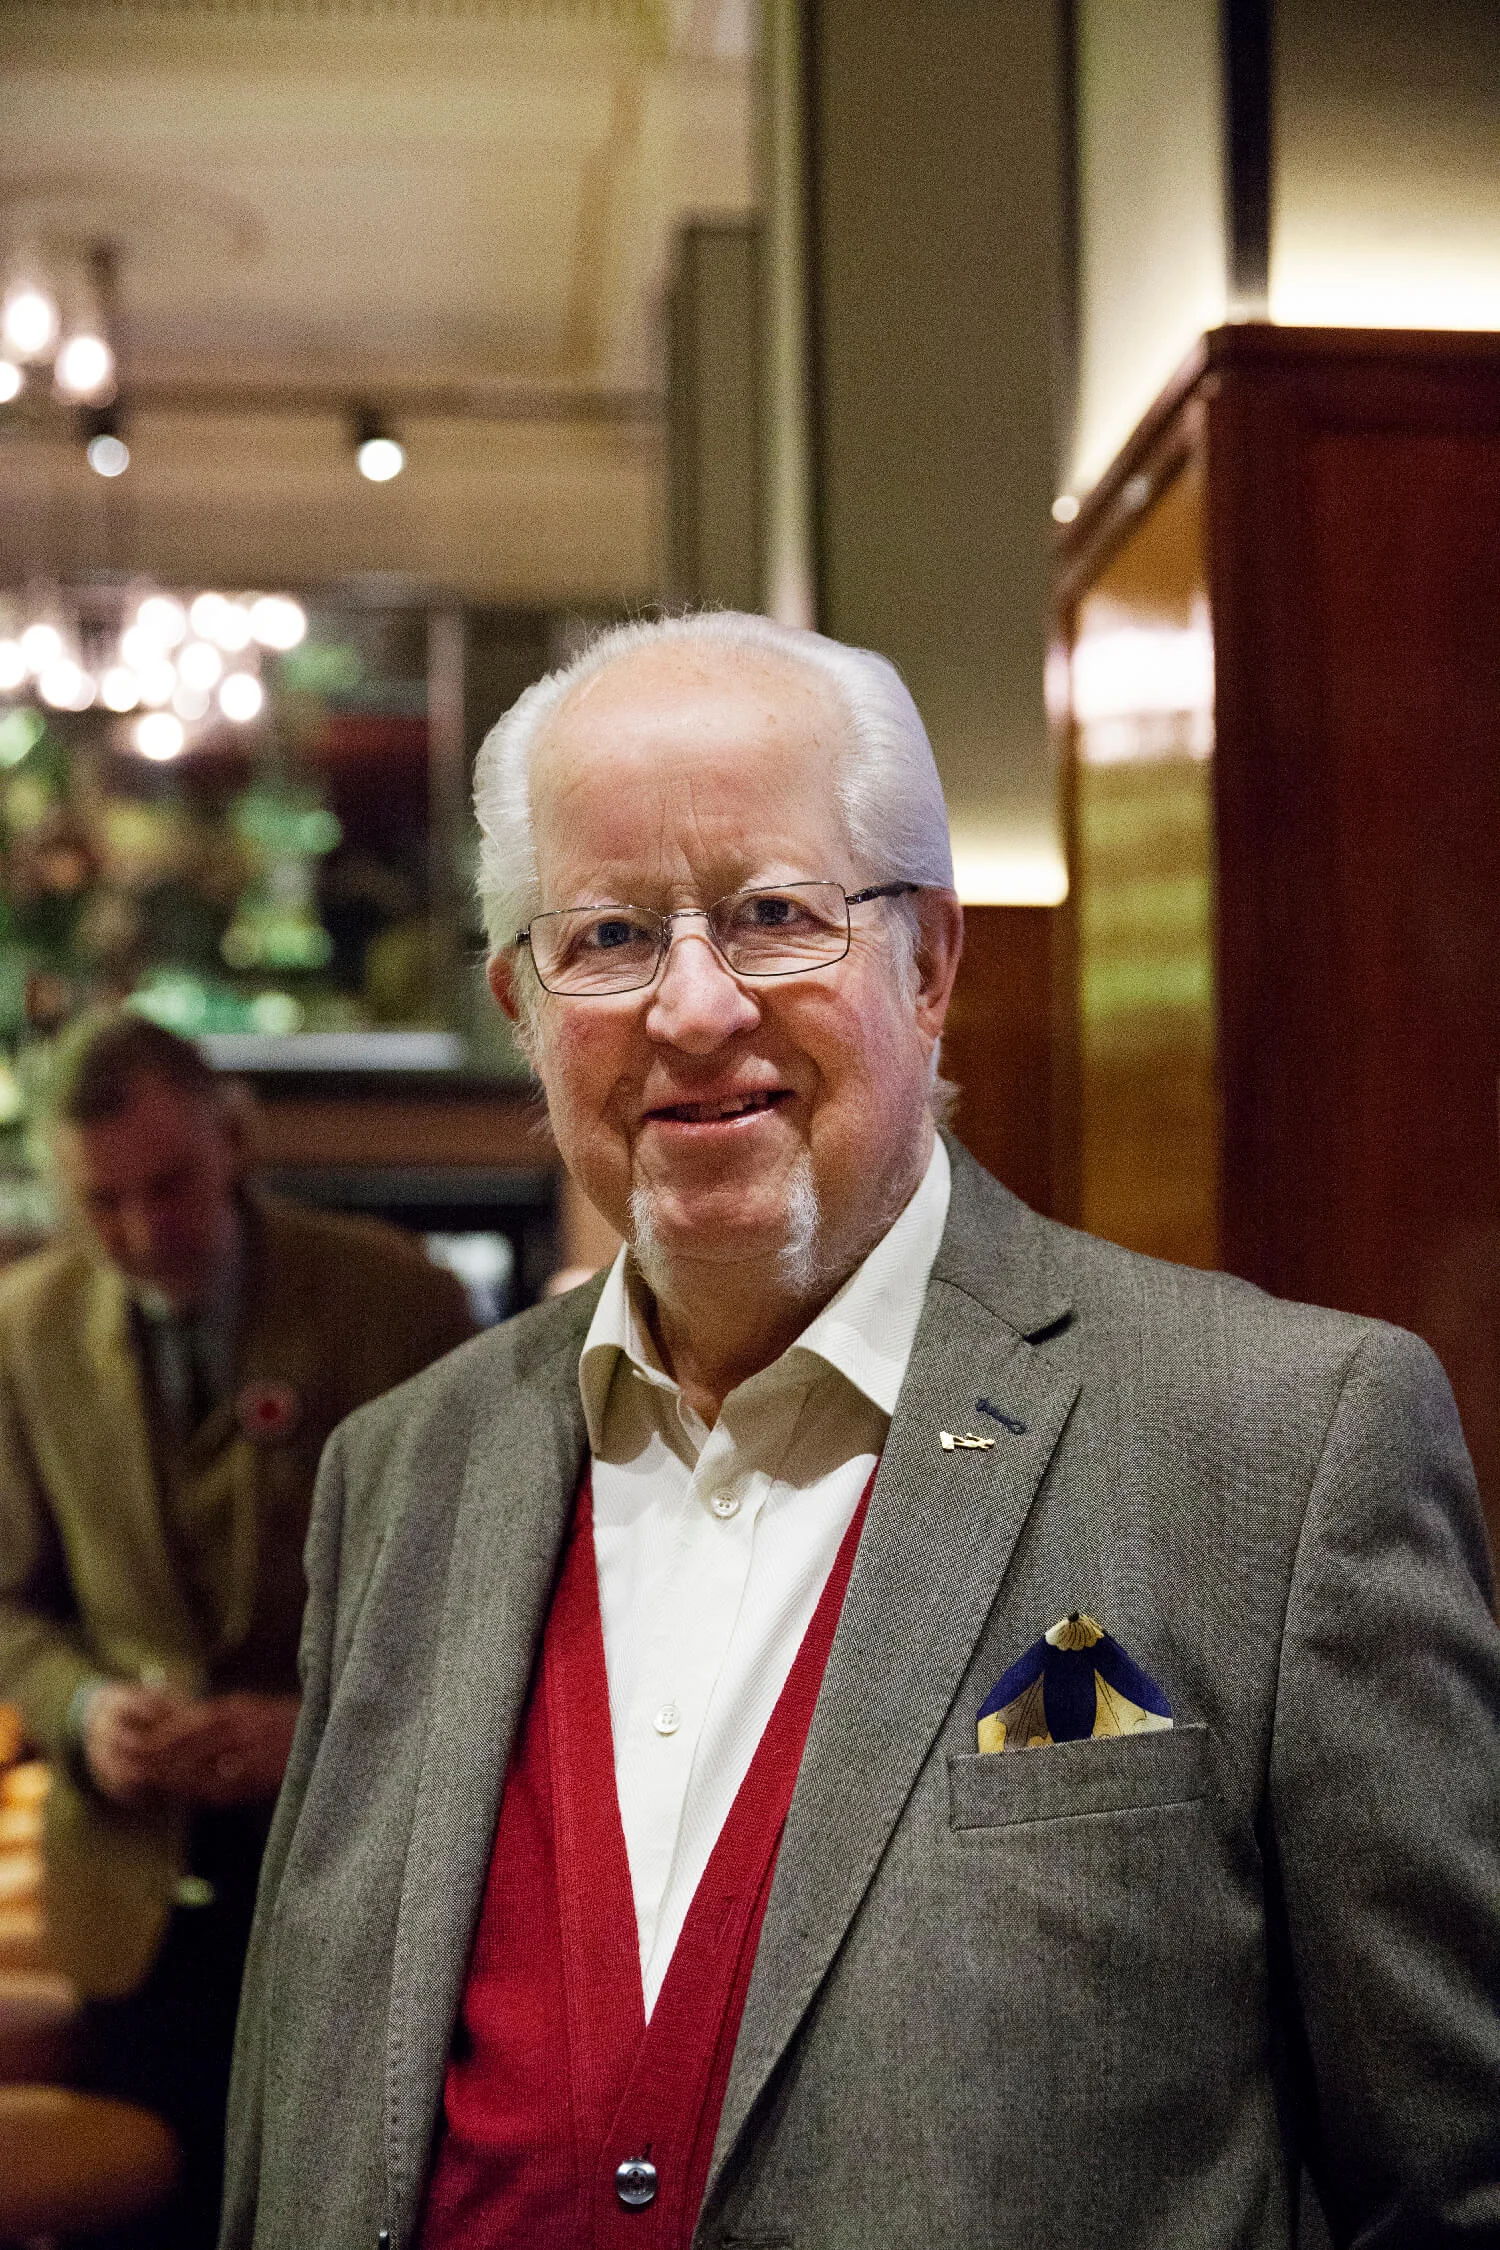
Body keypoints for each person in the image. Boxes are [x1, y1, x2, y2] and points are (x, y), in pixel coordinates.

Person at [221, 613, 1500, 2250]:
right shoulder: (402, 1473)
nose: (693, 1008)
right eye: (608, 935)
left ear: (932, 964)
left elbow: (1456, 2181)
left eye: (773, 915)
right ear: (522, 1007)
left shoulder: (1276, 1446)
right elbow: (299, 2120)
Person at [0, 1012, 475, 2249]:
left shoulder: (397, 1303)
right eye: (103, 1203)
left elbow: (482, 1596)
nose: (142, 1231)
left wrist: (318, 1729)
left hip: (356, 1872)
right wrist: (85, 1714)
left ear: (237, 1142)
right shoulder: (24, 1330)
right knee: (151, 2202)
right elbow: (11, 1605)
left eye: (170, 1186)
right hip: (132, 1888)